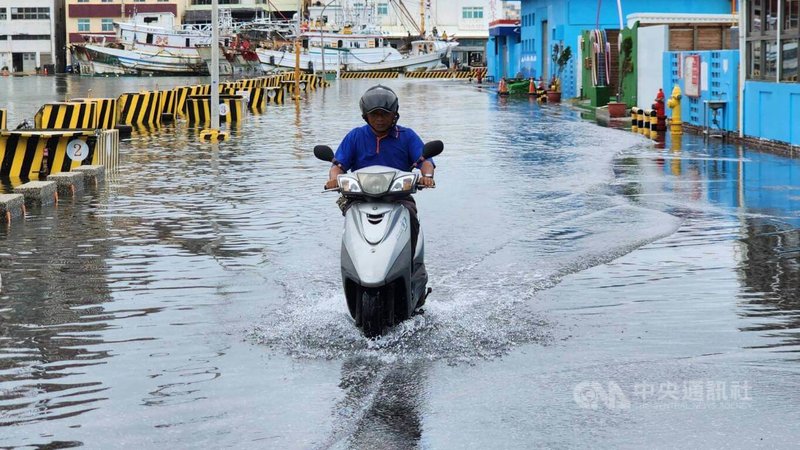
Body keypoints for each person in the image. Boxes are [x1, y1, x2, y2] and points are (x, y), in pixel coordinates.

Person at [325, 85, 435, 253]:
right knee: (350, 218)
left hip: (398, 197)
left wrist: (426, 176)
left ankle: (410, 262)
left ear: (394, 115)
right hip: (360, 197)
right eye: (374, 114)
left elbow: (425, 160)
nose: (380, 119)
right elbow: (338, 165)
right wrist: (334, 179)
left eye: (385, 114)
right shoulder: (355, 136)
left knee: (411, 215)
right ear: (366, 116)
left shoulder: (407, 136)